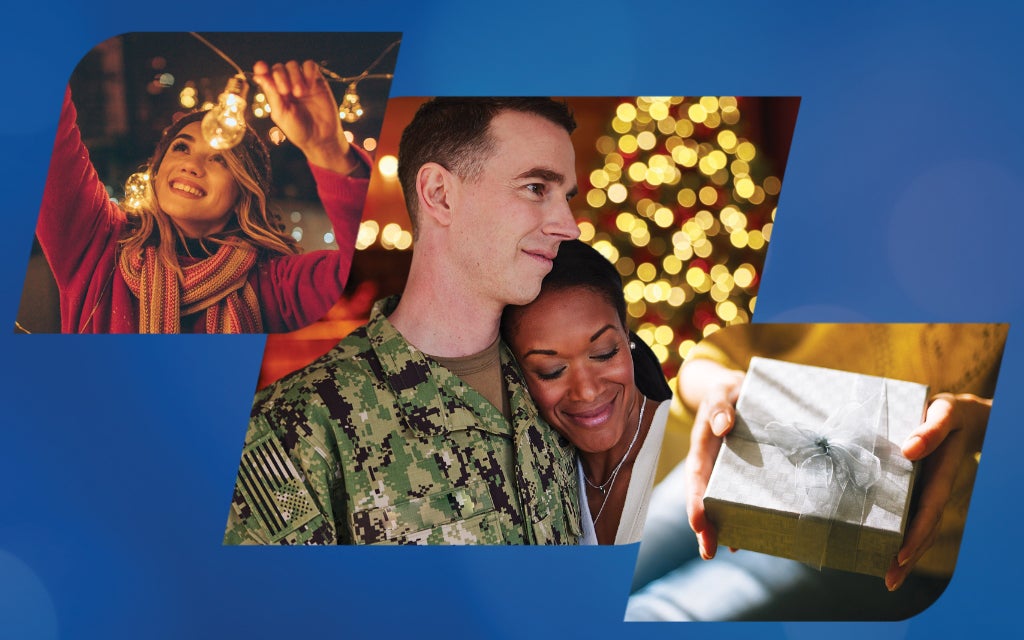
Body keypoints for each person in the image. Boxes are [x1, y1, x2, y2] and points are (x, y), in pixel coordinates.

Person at [223, 98, 584, 545]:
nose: (570, 227)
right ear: (439, 194)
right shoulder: (295, 427)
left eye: (566, 197)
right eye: (535, 188)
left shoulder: (575, 389)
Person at [626, 323, 1008, 621]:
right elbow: (713, 353)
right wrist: (713, 387)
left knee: (657, 618)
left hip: (899, 541)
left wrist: (981, 422)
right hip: (740, 453)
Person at [35, 59, 369, 333]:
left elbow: (370, 275)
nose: (192, 165)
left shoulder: (276, 286)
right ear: (158, 167)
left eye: (219, 158)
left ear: (244, 192)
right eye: (181, 147)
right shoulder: (98, 243)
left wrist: (328, 149)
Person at [501, 239, 674, 544]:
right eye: (551, 370)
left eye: (605, 352)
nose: (587, 391)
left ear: (626, 332)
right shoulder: (539, 487)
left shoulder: (694, 443)